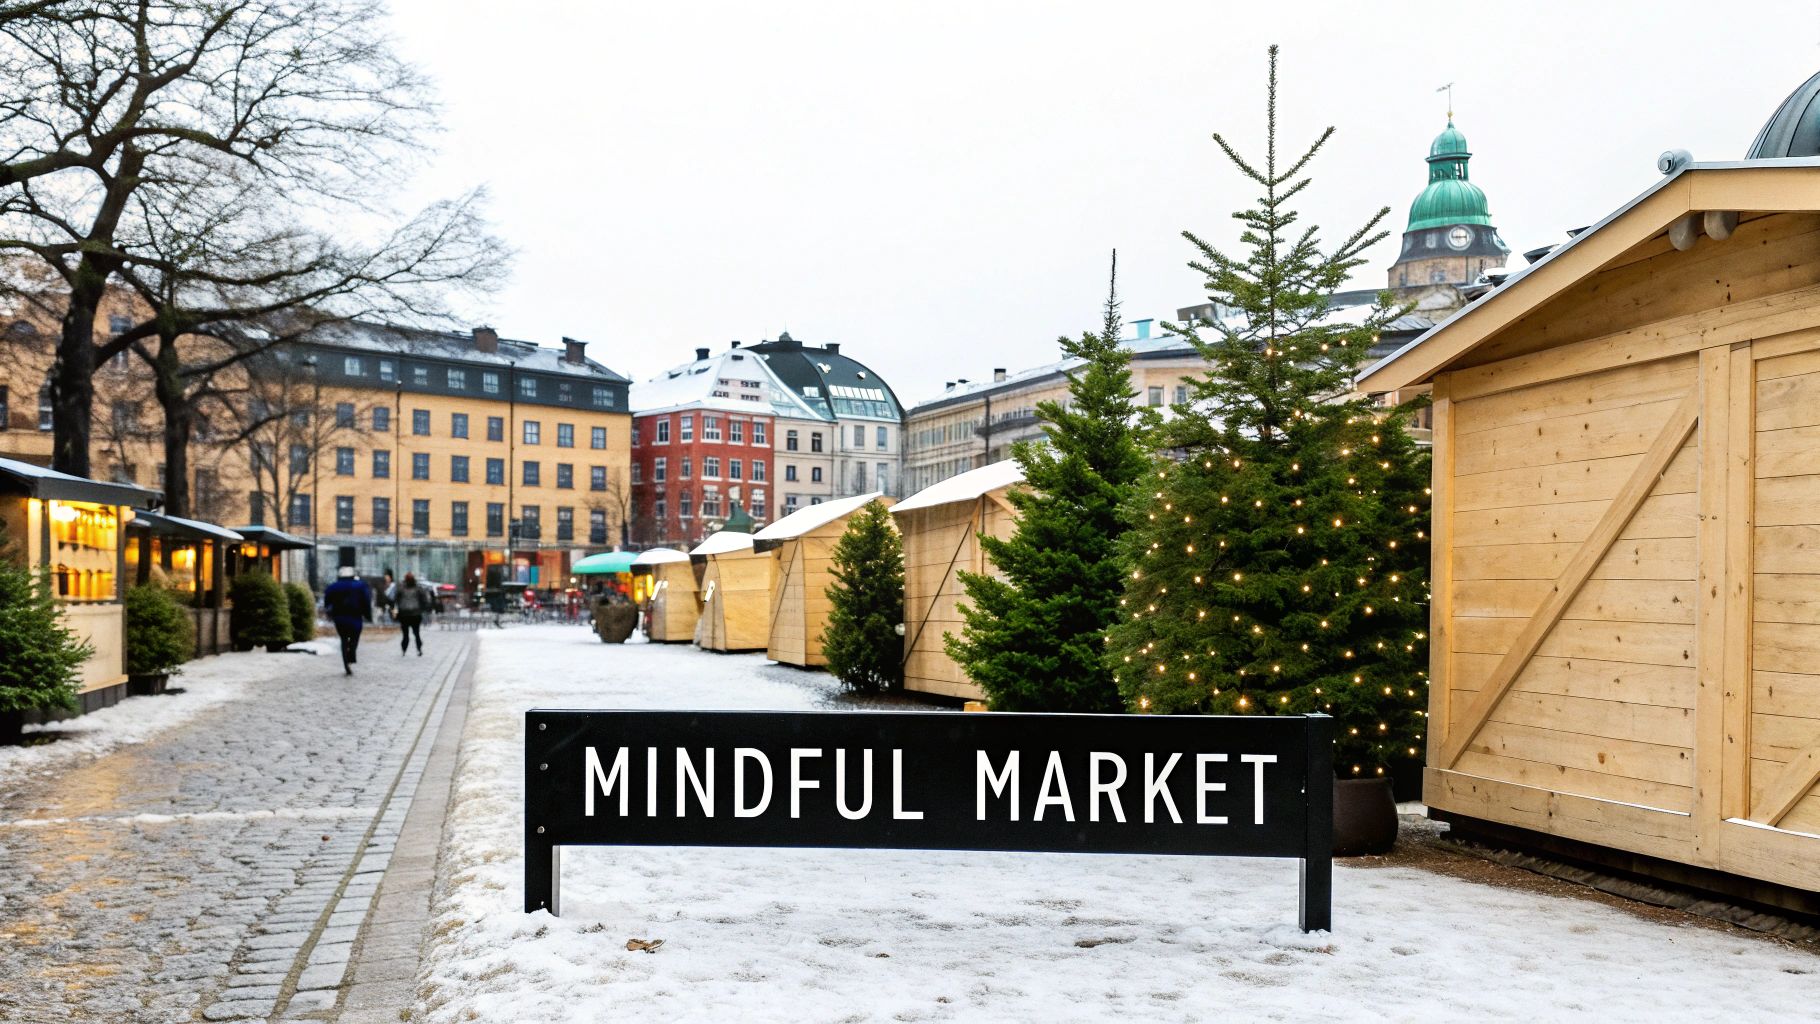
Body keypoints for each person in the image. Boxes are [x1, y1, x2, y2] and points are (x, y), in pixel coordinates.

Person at [324, 567, 373, 676]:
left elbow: (327, 600)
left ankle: (346, 661)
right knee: (355, 637)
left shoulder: (334, 586)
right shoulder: (360, 585)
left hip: (340, 617)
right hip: (355, 616)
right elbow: (366, 600)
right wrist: (368, 615)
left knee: (343, 639)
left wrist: (329, 611)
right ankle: (351, 655)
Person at [394, 572, 432, 656]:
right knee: (415, 633)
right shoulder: (417, 588)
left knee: (407, 634)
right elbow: (425, 600)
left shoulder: (402, 588)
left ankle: (405, 650)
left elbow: (396, 599)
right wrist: (423, 609)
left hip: (406, 614)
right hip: (414, 614)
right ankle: (417, 649)